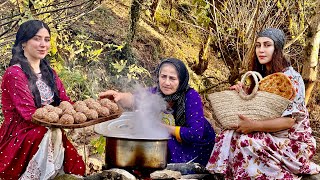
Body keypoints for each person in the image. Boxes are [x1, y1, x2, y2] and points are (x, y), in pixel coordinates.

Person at [206, 28, 320, 179]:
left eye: (267, 45)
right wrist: (241, 94)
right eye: (258, 45)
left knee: (246, 141)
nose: (261, 50)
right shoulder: (260, 76)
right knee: (229, 134)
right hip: (268, 134)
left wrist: (253, 126)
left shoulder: (292, 78)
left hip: (292, 140)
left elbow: (289, 121)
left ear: (277, 49)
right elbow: (256, 110)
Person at [0, 20, 85, 179]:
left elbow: (65, 102)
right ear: (24, 42)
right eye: (37, 39)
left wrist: (84, 111)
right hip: (23, 132)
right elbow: (28, 114)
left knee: (74, 168)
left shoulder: (49, 72)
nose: (43, 44)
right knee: (44, 133)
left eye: (46, 39)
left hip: (49, 129)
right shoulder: (14, 74)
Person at [99, 58, 216, 166]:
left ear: (181, 80)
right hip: (170, 138)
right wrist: (118, 95)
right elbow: (135, 99)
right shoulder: (156, 92)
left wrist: (159, 127)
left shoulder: (191, 96)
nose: (166, 82)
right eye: (163, 76)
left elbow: (194, 134)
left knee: (159, 142)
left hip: (196, 146)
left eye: (172, 78)